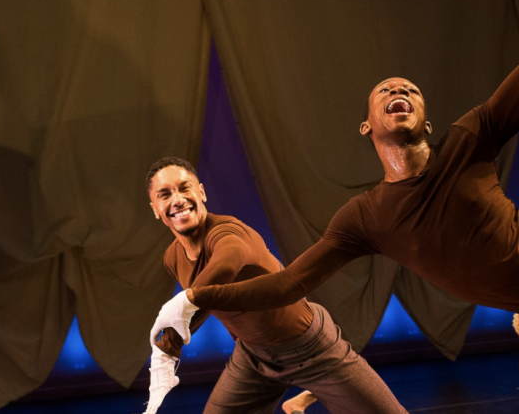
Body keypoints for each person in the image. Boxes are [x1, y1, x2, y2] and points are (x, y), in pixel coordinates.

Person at [150, 0, 519, 412]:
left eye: (407, 88)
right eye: (384, 90)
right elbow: (290, 284)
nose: (397, 90)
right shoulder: (366, 218)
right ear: (367, 126)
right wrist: (196, 302)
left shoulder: (468, 141)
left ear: (425, 121)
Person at [141, 157, 407, 414]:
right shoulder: (172, 257)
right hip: (253, 358)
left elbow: (223, 268)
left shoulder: (229, 232)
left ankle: (312, 393)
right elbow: (202, 305)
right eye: (164, 195)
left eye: (184, 188)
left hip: (310, 348)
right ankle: (303, 398)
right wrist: (168, 351)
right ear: (155, 208)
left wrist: (177, 323)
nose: (177, 200)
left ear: (201, 193)